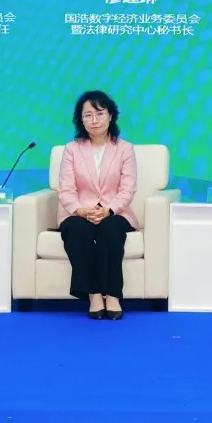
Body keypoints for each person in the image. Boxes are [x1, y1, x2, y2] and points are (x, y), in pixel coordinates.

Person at [56, 90, 138, 320]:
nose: (94, 120)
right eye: (88, 115)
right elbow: (66, 189)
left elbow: (127, 189)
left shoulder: (125, 149)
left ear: (110, 116)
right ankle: (93, 295)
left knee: (110, 229)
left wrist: (109, 210)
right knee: (75, 229)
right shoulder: (72, 149)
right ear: (80, 120)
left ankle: (112, 295)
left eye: (100, 113)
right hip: (80, 211)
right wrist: (80, 211)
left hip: (115, 211)